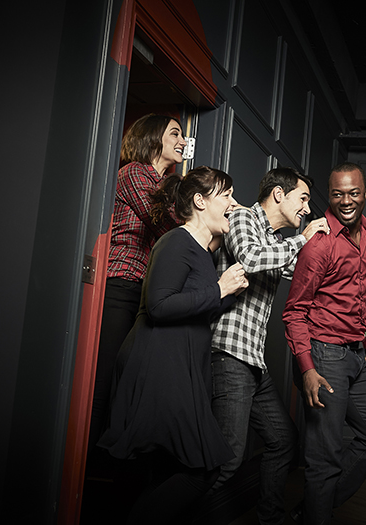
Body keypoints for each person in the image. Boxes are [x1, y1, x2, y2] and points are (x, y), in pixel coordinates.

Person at [98, 166, 248, 524]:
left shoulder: (202, 252)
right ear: (200, 201)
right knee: (200, 470)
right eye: (226, 195)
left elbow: (198, 306)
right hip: (160, 367)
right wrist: (220, 289)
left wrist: (229, 290)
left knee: (163, 469)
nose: (234, 204)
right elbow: (160, 306)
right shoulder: (176, 242)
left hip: (180, 367)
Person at [209, 167, 330, 524]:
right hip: (228, 355)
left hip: (252, 361)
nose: (306, 208)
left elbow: (300, 273)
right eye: (303, 198)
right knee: (228, 459)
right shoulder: (243, 218)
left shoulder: (277, 241)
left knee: (282, 439)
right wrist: (303, 239)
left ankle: (270, 519)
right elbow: (250, 258)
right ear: (279, 194)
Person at [282, 162, 366, 525]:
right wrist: (307, 369)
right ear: (328, 196)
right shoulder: (319, 243)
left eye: (353, 193)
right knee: (324, 456)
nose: (346, 201)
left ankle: (310, 511)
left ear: (365, 194)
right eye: (337, 194)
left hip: (355, 355)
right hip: (323, 354)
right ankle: (315, 514)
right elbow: (294, 311)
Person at [88, 114, 187, 460]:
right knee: (103, 382)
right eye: (175, 133)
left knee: (128, 385)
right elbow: (166, 225)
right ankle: (82, 469)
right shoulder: (134, 173)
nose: (183, 140)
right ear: (152, 137)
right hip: (120, 286)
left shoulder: (166, 183)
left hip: (144, 292)